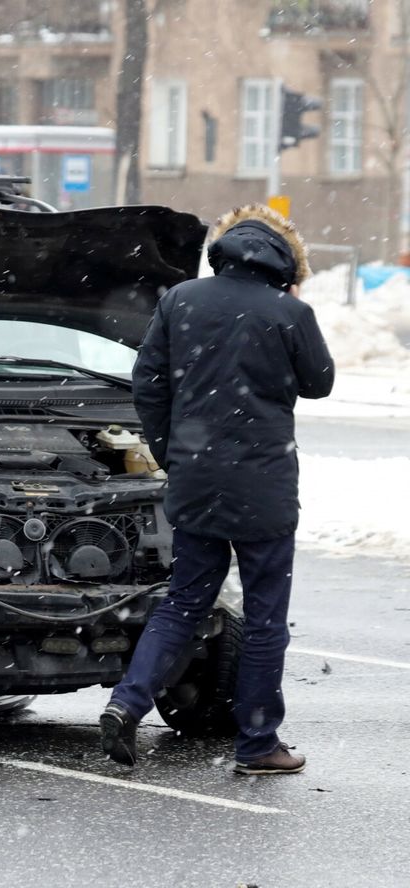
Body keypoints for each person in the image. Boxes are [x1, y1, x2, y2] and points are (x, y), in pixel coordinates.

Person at [99, 205, 334, 775]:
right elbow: (320, 383)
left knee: (183, 602)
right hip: (265, 487)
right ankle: (257, 745)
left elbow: (147, 382)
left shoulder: (181, 300)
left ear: (223, 252)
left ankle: (127, 702)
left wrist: (168, 449)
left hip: (196, 478)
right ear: (281, 262)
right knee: (263, 619)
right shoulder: (288, 312)